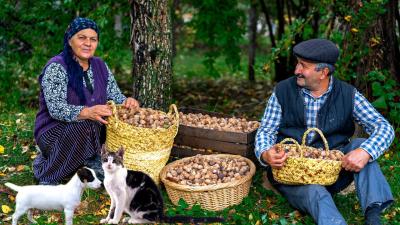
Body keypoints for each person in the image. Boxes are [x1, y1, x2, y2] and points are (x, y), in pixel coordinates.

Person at [255, 39, 394, 225]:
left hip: (333, 171)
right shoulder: (282, 91)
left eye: (303, 66)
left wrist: (365, 152)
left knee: (362, 146)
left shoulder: (347, 94)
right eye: (297, 63)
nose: (296, 70)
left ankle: (374, 213)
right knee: (315, 192)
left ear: (323, 72)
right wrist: (266, 153)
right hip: (293, 176)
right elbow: (266, 130)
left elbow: (383, 126)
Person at [33, 17, 139, 185]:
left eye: (93, 39)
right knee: (85, 123)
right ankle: (48, 174)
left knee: (105, 123)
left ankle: (91, 159)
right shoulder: (57, 67)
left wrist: (128, 102)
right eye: (82, 38)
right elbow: (56, 109)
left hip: (90, 131)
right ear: (70, 40)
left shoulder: (100, 66)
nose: (88, 43)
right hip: (53, 131)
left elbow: (115, 97)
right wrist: (87, 112)